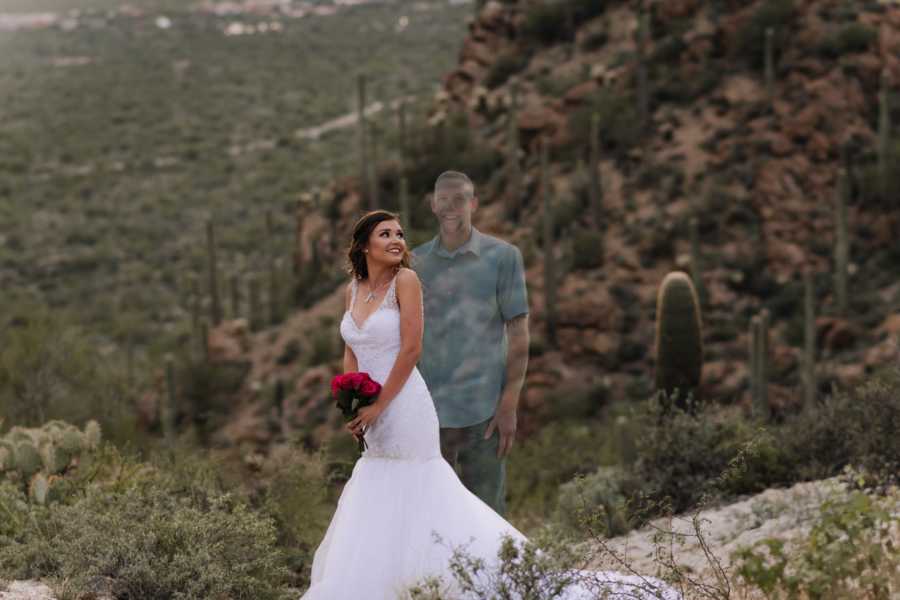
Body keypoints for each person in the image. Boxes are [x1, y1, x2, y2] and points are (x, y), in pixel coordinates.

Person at [299, 208, 681, 600]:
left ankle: (450, 580)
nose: (397, 240)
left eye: (400, 233)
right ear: (364, 245)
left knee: (417, 487)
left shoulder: (406, 282)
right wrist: (352, 403)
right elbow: (352, 351)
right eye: (385, 234)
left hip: (403, 407)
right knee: (377, 486)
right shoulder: (354, 291)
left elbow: (412, 349)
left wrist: (379, 405)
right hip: (371, 411)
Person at [409, 170, 527, 516]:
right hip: (429, 415)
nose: (451, 208)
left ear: (473, 203)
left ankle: (496, 574)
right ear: (433, 205)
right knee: (433, 515)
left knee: (489, 514)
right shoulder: (413, 265)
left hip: (484, 413)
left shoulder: (503, 258)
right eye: (443, 200)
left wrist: (509, 403)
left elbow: (519, 334)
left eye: (459, 199)